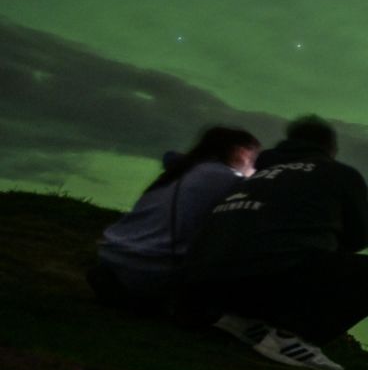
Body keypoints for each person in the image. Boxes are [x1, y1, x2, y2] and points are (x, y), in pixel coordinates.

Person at [181, 114, 368, 370]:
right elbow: (355, 239)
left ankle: (233, 322)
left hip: (200, 283)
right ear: (330, 148)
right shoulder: (340, 175)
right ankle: (290, 337)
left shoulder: (256, 175)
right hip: (257, 281)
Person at [89, 126, 262, 315]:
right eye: (253, 156)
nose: (254, 164)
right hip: (151, 269)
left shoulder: (178, 171)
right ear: (239, 152)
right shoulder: (225, 177)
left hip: (112, 257)